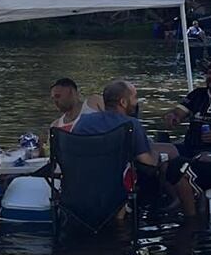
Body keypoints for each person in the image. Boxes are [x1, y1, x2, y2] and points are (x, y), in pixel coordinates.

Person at [71, 79, 198, 217]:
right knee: (163, 158)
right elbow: (147, 161)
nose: (137, 102)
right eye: (135, 97)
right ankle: (173, 202)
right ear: (123, 102)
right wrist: (156, 155)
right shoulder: (131, 124)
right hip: (116, 189)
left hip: (82, 186)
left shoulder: (84, 121)